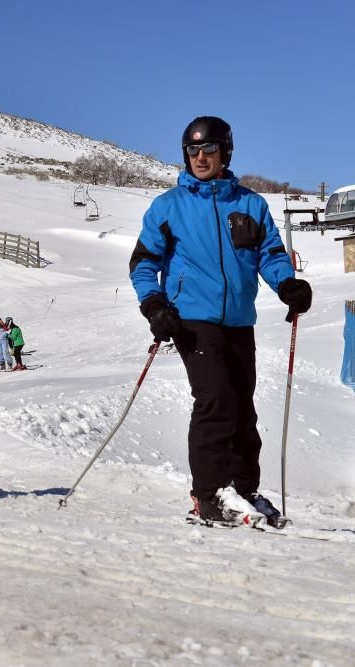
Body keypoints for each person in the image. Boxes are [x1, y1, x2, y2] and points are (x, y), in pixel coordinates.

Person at [129, 115, 313, 527]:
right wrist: (154, 304)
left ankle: (244, 489)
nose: (199, 157)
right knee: (215, 402)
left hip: (238, 321)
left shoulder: (250, 204)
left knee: (243, 407)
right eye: (192, 150)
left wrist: (287, 285)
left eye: (208, 149)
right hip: (191, 320)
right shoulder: (169, 207)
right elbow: (144, 263)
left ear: (225, 152)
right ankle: (209, 494)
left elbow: (270, 254)